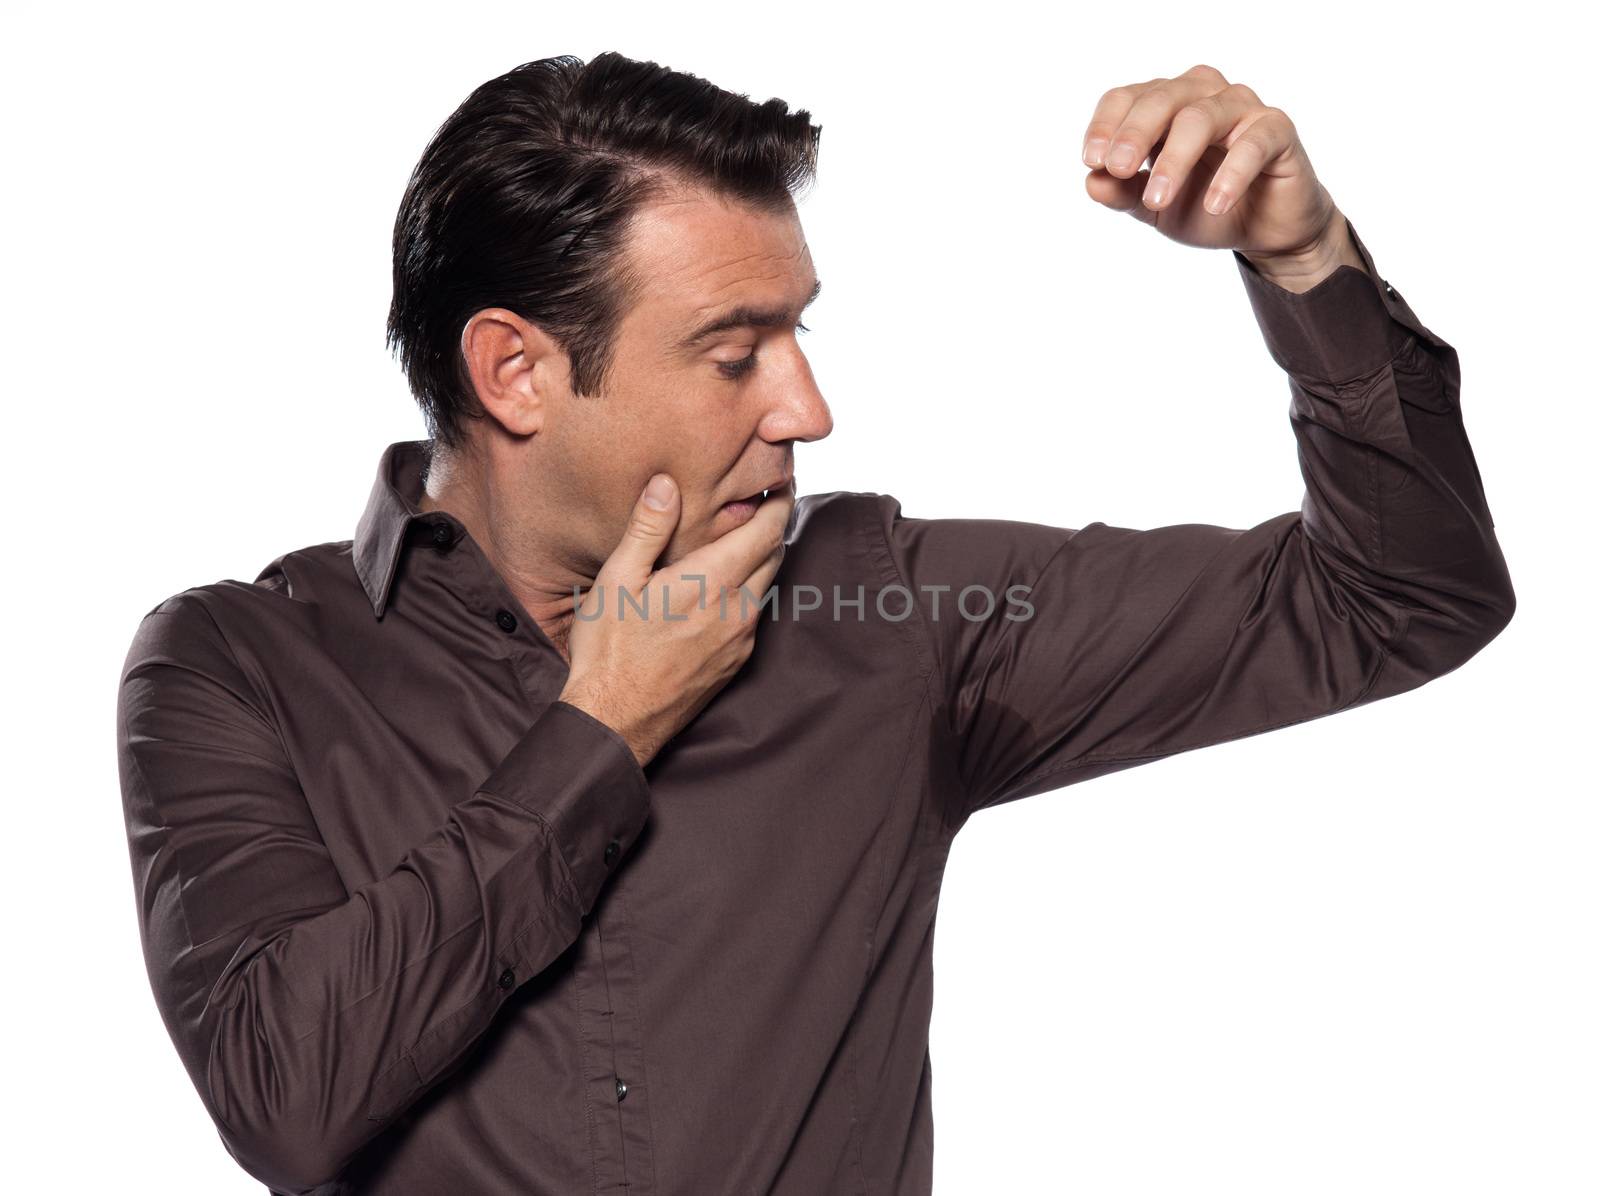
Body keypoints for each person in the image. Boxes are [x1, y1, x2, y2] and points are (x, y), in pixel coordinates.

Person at [115, 52, 1513, 1195]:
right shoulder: (238, 667)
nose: (806, 410)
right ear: (516, 373)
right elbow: (284, 1098)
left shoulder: (882, 611)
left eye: (798, 336)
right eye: (736, 353)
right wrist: (603, 728)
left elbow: (1401, 599)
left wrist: (1308, 262)